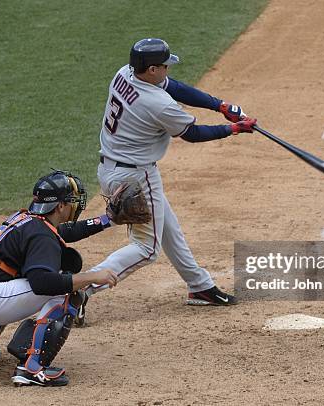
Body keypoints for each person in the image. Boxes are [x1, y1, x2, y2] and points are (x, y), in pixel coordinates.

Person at [78, 38, 257, 325]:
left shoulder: (125, 73)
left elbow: (172, 86)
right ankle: (81, 289)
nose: (167, 70)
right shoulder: (157, 104)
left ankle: (200, 286)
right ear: (151, 69)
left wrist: (220, 105)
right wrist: (232, 128)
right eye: (164, 66)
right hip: (136, 176)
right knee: (147, 249)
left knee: (168, 227)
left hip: (111, 168)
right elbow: (192, 134)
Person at [0, 170, 119, 387]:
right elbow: (42, 283)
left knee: (10, 280)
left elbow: (63, 232)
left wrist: (107, 220)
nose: (75, 205)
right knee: (65, 287)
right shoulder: (41, 235)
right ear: (60, 206)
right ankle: (32, 368)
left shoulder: (26, 219)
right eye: (71, 201)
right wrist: (91, 277)